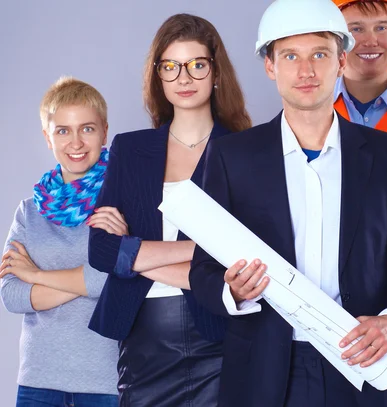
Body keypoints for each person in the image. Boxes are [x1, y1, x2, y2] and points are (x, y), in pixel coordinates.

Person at [188, 0, 387, 406]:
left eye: (319, 55)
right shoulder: (231, 158)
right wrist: (231, 290)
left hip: (363, 363)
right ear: (270, 66)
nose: (306, 71)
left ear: (341, 61)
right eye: (290, 56)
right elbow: (202, 270)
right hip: (265, 370)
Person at [86, 13, 251, 406]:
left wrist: (135, 251)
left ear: (215, 73)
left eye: (197, 65)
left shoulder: (245, 150)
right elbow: (101, 252)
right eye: (170, 66)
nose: (184, 77)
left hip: (222, 336)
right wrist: (204, 249)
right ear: (158, 76)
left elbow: (252, 253)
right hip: (144, 337)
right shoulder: (130, 149)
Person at [0, 77, 118, 406]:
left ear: (104, 131)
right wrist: (85, 279)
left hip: (104, 379)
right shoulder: (29, 212)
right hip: (38, 378)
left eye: (87, 129)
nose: (76, 142)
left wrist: (35, 275)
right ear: (47, 138)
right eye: (63, 130)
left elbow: (112, 279)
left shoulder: (121, 203)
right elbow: (10, 294)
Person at [332, 0, 387, 136]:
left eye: (381, 28)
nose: (371, 41)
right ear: (337, 40)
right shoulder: (314, 106)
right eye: (356, 29)